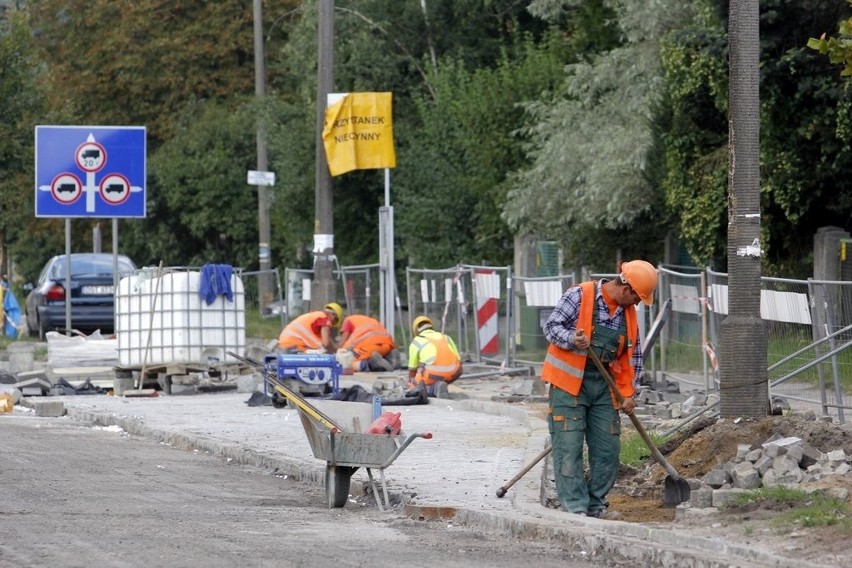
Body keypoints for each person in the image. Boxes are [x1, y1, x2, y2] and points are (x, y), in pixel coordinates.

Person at [541, 259, 658, 519]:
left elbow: (634, 357)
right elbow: (551, 327)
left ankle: (596, 505)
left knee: (607, 450)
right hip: (569, 385)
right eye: (638, 298)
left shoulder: (628, 314)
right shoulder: (580, 294)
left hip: (605, 388)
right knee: (569, 448)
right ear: (626, 288)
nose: (638, 304)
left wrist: (629, 394)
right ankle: (575, 507)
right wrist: (572, 339)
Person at [407, 315, 463, 397]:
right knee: (435, 373)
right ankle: (442, 385)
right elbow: (459, 360)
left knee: (416, 386)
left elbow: (412, 369)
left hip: (434, 375)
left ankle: (434, 389)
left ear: (415, 330)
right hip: (454, 373)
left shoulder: (417, 341)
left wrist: (412, 381)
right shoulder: (446, 337)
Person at [277, 302, 343, 353]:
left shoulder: (316, 316)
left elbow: (325, 338)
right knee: (321, 352)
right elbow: (326, 343)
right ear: (334, 316)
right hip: (294, 346)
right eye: (334, 322)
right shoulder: (324, 319)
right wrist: (335, 352)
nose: (331, 326)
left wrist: (334, 348)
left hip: (285, 343)